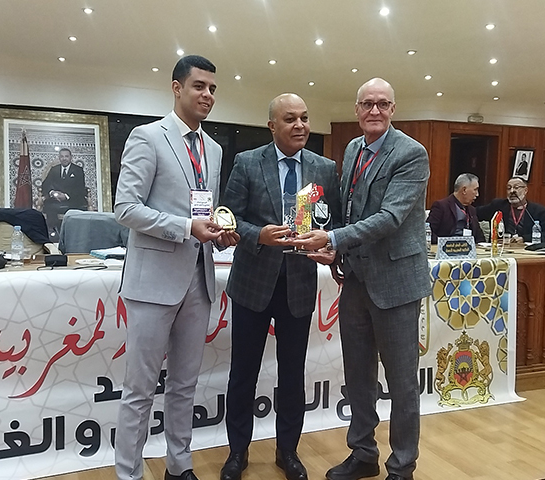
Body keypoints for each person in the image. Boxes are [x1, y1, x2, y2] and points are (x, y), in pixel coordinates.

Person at [295, 78, 431, 480]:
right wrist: (336, 248)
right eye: (367, 104)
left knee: (402, 382)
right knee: (357, 374)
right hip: (355, 279)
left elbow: (390, 218)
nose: (375, 111)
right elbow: (351, 211)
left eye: (383, 104)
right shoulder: (353, 149)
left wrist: (334, 237)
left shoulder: (411, 153)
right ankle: (364, 454)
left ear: (393, 109)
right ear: (356, 109)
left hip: (396, 284)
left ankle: (402, 466)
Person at [114, 55, 239, 480]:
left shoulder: (215, 149)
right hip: (152, 283)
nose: (207, 95)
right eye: (199, 86)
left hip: (199, 281)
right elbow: (126, 208)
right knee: (139, 391)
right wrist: (187, 227)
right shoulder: (148, 137)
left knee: (184, 387)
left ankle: (179, 467)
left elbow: (205, 211)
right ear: (176, 88)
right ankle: (128, 474)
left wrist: (218, 232)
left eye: (213, 89)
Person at [219, 93, 341, 480]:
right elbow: (229, 218)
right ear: (272, 126)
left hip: (299, 285)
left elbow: (332, 222)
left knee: (292, 375)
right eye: (290, 119)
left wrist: (327, 241)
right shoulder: (247, 162)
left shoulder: (324, 169)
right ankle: (237, 453)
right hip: (253, 283)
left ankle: (288, 451)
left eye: (305, 118)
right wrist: (260, 236)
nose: (300, 125)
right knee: (243, 373)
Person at [476, 177, 545, 243]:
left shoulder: (539, 211)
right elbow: (475, 213)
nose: (512, 191)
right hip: (501, 249)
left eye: (516, 187)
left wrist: (524, 238)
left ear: (525, 190)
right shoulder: (498, 205)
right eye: (509, 188)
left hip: (526, 251)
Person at [427, 173, 485, 243]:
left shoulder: (472, 210)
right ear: (464, 190)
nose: (477, 194)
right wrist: (445, 244)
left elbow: (480, 238)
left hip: (467, 250)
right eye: (475, 190)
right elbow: (428, 233)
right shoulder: (441, 206)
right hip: (447, 249)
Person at [41, 148, 88, 233]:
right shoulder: (54, 169)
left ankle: (74, 232)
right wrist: (52, 193)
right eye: (62, 156)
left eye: (66, 156)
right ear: (59, 158)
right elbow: (46, 184)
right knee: (48, 206)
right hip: (56, 200)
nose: (64, 158)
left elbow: (80, 188)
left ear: (71, 157)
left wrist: (66, 196)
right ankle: (54, 232)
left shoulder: (78, 170)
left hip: (72, 200)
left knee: (77, 208)